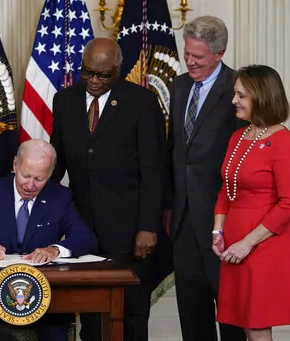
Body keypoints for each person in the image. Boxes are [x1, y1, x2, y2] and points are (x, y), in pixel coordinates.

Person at [50, 37, 166, 341]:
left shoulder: (141, 102)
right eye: (87, 72)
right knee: (91, 314)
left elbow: (154, 170)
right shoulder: (64, 100)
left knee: (132, 315)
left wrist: (147, 227)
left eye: (103, 75)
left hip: (129, 229)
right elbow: (57, 162)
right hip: (82, 227)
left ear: (118, 70)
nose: (94, 81)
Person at [0, 139, 98, 341]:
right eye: (26, 176)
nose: (31, 185)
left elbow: (86, 238)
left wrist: (55, 250)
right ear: (15, 165)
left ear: (50, 173)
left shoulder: (60, 197)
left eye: (40, 179)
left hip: (43, 300)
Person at [166, 15, 246, 341]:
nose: (189, 61)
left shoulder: (239, 88)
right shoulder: (179, 85)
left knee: (230, 313)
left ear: (219, 53)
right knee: (192, 312)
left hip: (223, 219)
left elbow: (245, 155)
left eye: (198, 57)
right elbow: (175, 148)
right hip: (183, 218)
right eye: (187, 53)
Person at [212, 64, 290, 341]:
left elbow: (288, 203)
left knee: (257, 327)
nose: (234, 101)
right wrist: (218, 231)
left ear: (262, 96)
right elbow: (226, 190)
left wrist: (248, 243)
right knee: (243, 323)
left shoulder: (282, 142)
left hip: (262, 246)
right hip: (233, 245)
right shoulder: (238, 136)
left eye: (241, 95)